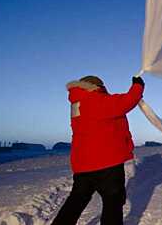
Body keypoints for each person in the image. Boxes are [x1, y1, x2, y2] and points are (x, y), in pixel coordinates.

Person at [52, 75, 145, 225]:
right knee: (112, 203)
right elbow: (126, 102)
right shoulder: (96, 100)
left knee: (76, 201)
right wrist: (138, 86)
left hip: (83, 165)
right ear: (97, 87)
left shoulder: (77, 104)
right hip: (107, 164)